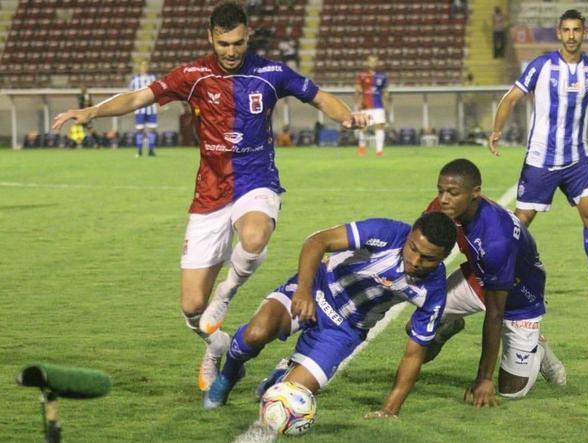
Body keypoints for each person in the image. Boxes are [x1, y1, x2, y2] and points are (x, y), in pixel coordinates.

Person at [51, 1, 368, 395]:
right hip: (210, 191)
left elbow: (320, 97)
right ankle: (215, 345)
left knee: (254, 238)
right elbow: (138, 98)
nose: (231, 51)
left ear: (248, 35)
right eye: (223, 44)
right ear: (210, 38)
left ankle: (226, 297)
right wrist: (92, 112)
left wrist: (347, 116)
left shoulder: (271, 73)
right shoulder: (193, 75)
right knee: (190, 308)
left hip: (256, 179)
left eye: (237, 43)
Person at [203, 212, 458, 419]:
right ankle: (229, 374)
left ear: (443, 258)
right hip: (317, 288)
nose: (415, 260)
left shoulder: (433, 292)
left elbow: (415, 352)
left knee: (289, 402)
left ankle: (283, 375)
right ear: (409, 236)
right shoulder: (385, 233)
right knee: (256, 333)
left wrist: (389, 409)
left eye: (427, 258)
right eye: (412, 248)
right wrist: (303, 290)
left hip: (344, 329)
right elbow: (317, 241)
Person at [488, 9, 588, 302]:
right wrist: (497, 129)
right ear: (558, 33)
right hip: (542, 159)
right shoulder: (541, 65)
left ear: (584, 34)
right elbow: (512, 96)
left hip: (577, 159)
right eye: (567, 30)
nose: (572, 35)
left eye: (577, 30)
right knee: (521, 220)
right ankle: (495, 275)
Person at [421, 159, 566, 407]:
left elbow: (496, 313)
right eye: (440, 190)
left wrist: (484, 379)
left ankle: (537, 347)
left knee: (511, 391)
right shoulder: (442, 209)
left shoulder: (495, 240)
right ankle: (450, 325)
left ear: (474, 193)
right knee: (419, 327)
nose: (443, 199)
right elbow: (427, 247)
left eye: (452, 193)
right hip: (479, 277)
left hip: (519, 296)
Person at [354, 54, 390, 157]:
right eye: (371, 61)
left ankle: (379, 151)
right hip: (365, 105)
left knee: (379, 126)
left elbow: (385, 91)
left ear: (377, 63)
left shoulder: (382, 76)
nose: (373, 63)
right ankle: (361, 148)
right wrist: (357, 103)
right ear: (368, 62)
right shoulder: (362, 76)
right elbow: (357, 90)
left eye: (375, 61)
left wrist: (387, 97)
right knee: (363, 127)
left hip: (378, 105)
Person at [129, 61, 158, 157]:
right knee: (140, 130)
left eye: (145, 66)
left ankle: (151, 150)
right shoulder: (135, 79)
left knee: (152, 129)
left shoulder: (152, 78)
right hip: (139, 109)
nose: (144, 68)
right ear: (140, 68)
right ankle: (139, 151)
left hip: (151, 108)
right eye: (142, 66)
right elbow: (130, 94)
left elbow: (157, 93)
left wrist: (158, 105)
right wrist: (130, 107)